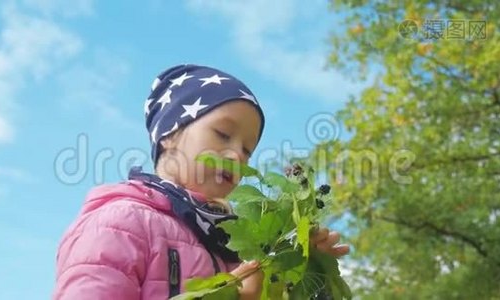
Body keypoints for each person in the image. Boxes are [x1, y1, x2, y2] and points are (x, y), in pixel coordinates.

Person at [52, 64, 349, 300]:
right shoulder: (121, 224)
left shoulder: (239, 250)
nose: (236, 154)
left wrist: (306, 272)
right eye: (222, 134)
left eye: (247, 150)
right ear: (169, 134)